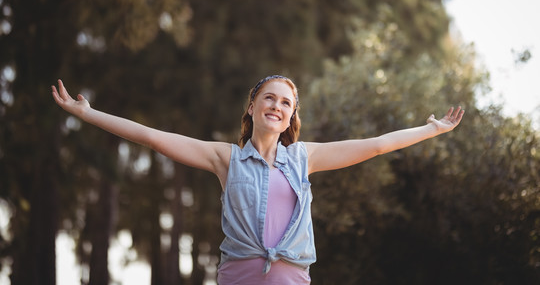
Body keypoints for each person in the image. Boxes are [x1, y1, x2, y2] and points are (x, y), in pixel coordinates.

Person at [52, 75, 464, 284]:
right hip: (239, 278)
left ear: (290, 116)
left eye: (286, 102)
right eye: (269, 97)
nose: (277, 105)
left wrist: (431, 130)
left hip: (291, 278)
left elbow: (375, 145)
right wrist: (89, 114)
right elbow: (155, 138)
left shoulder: (305, 158)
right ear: (252, 107)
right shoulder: (225, 158)